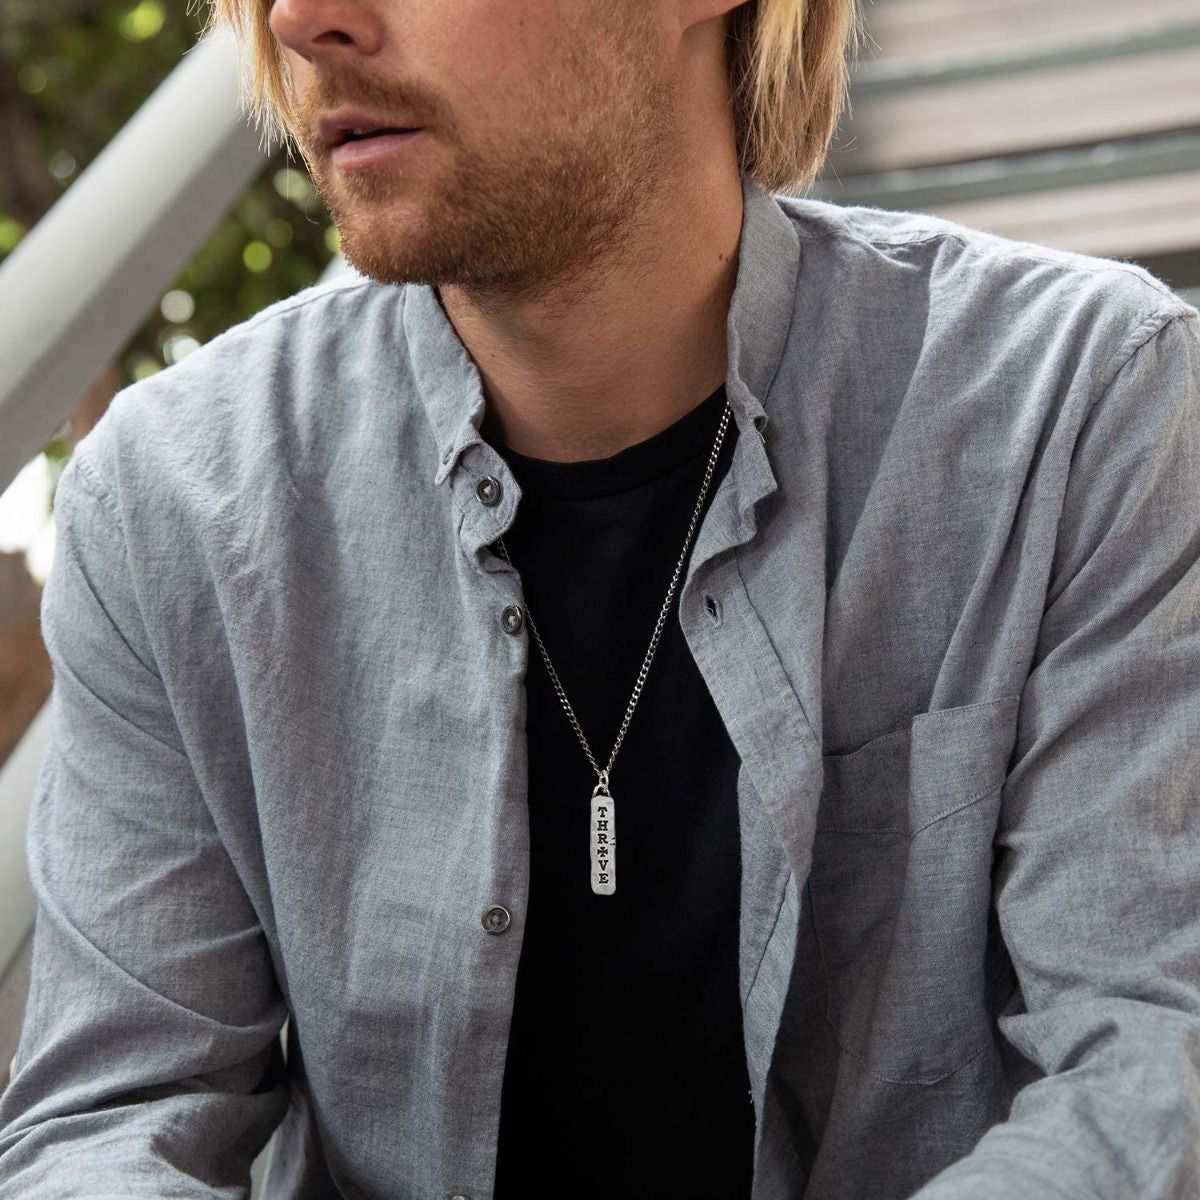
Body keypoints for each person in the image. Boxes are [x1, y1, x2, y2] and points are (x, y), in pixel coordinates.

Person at [2, 0, 1199, 1196]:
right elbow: (116, 1115)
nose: (304, 20)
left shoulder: (1079, 406)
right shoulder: (179, 499)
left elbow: (1149, 1061)